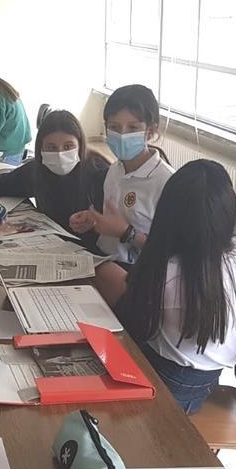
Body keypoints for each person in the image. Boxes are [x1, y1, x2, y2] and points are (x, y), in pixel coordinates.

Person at [117, 160, 236, 414]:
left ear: (167, 215)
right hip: (211, 380)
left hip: (166, 384)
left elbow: (136, 324)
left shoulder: (163, 273)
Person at [73, 84, 174, 305]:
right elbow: (112, 218)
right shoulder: (114, 169)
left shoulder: (167, 182)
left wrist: (126, 233)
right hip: (102, 262)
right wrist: (93, 220)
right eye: (114, 127)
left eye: (132, 127)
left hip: (136, 279)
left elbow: (172, 254)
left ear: (151, 131)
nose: (122, 135)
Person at [0, 110, 108, 252]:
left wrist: (94, 221)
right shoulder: (36, 170)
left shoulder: (99, 174)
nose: (59, 154)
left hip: (94, 252)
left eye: (68, 146)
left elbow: (120, 223)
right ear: (41, 149)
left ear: (80, 146)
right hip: (52, 244)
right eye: (51, 147)